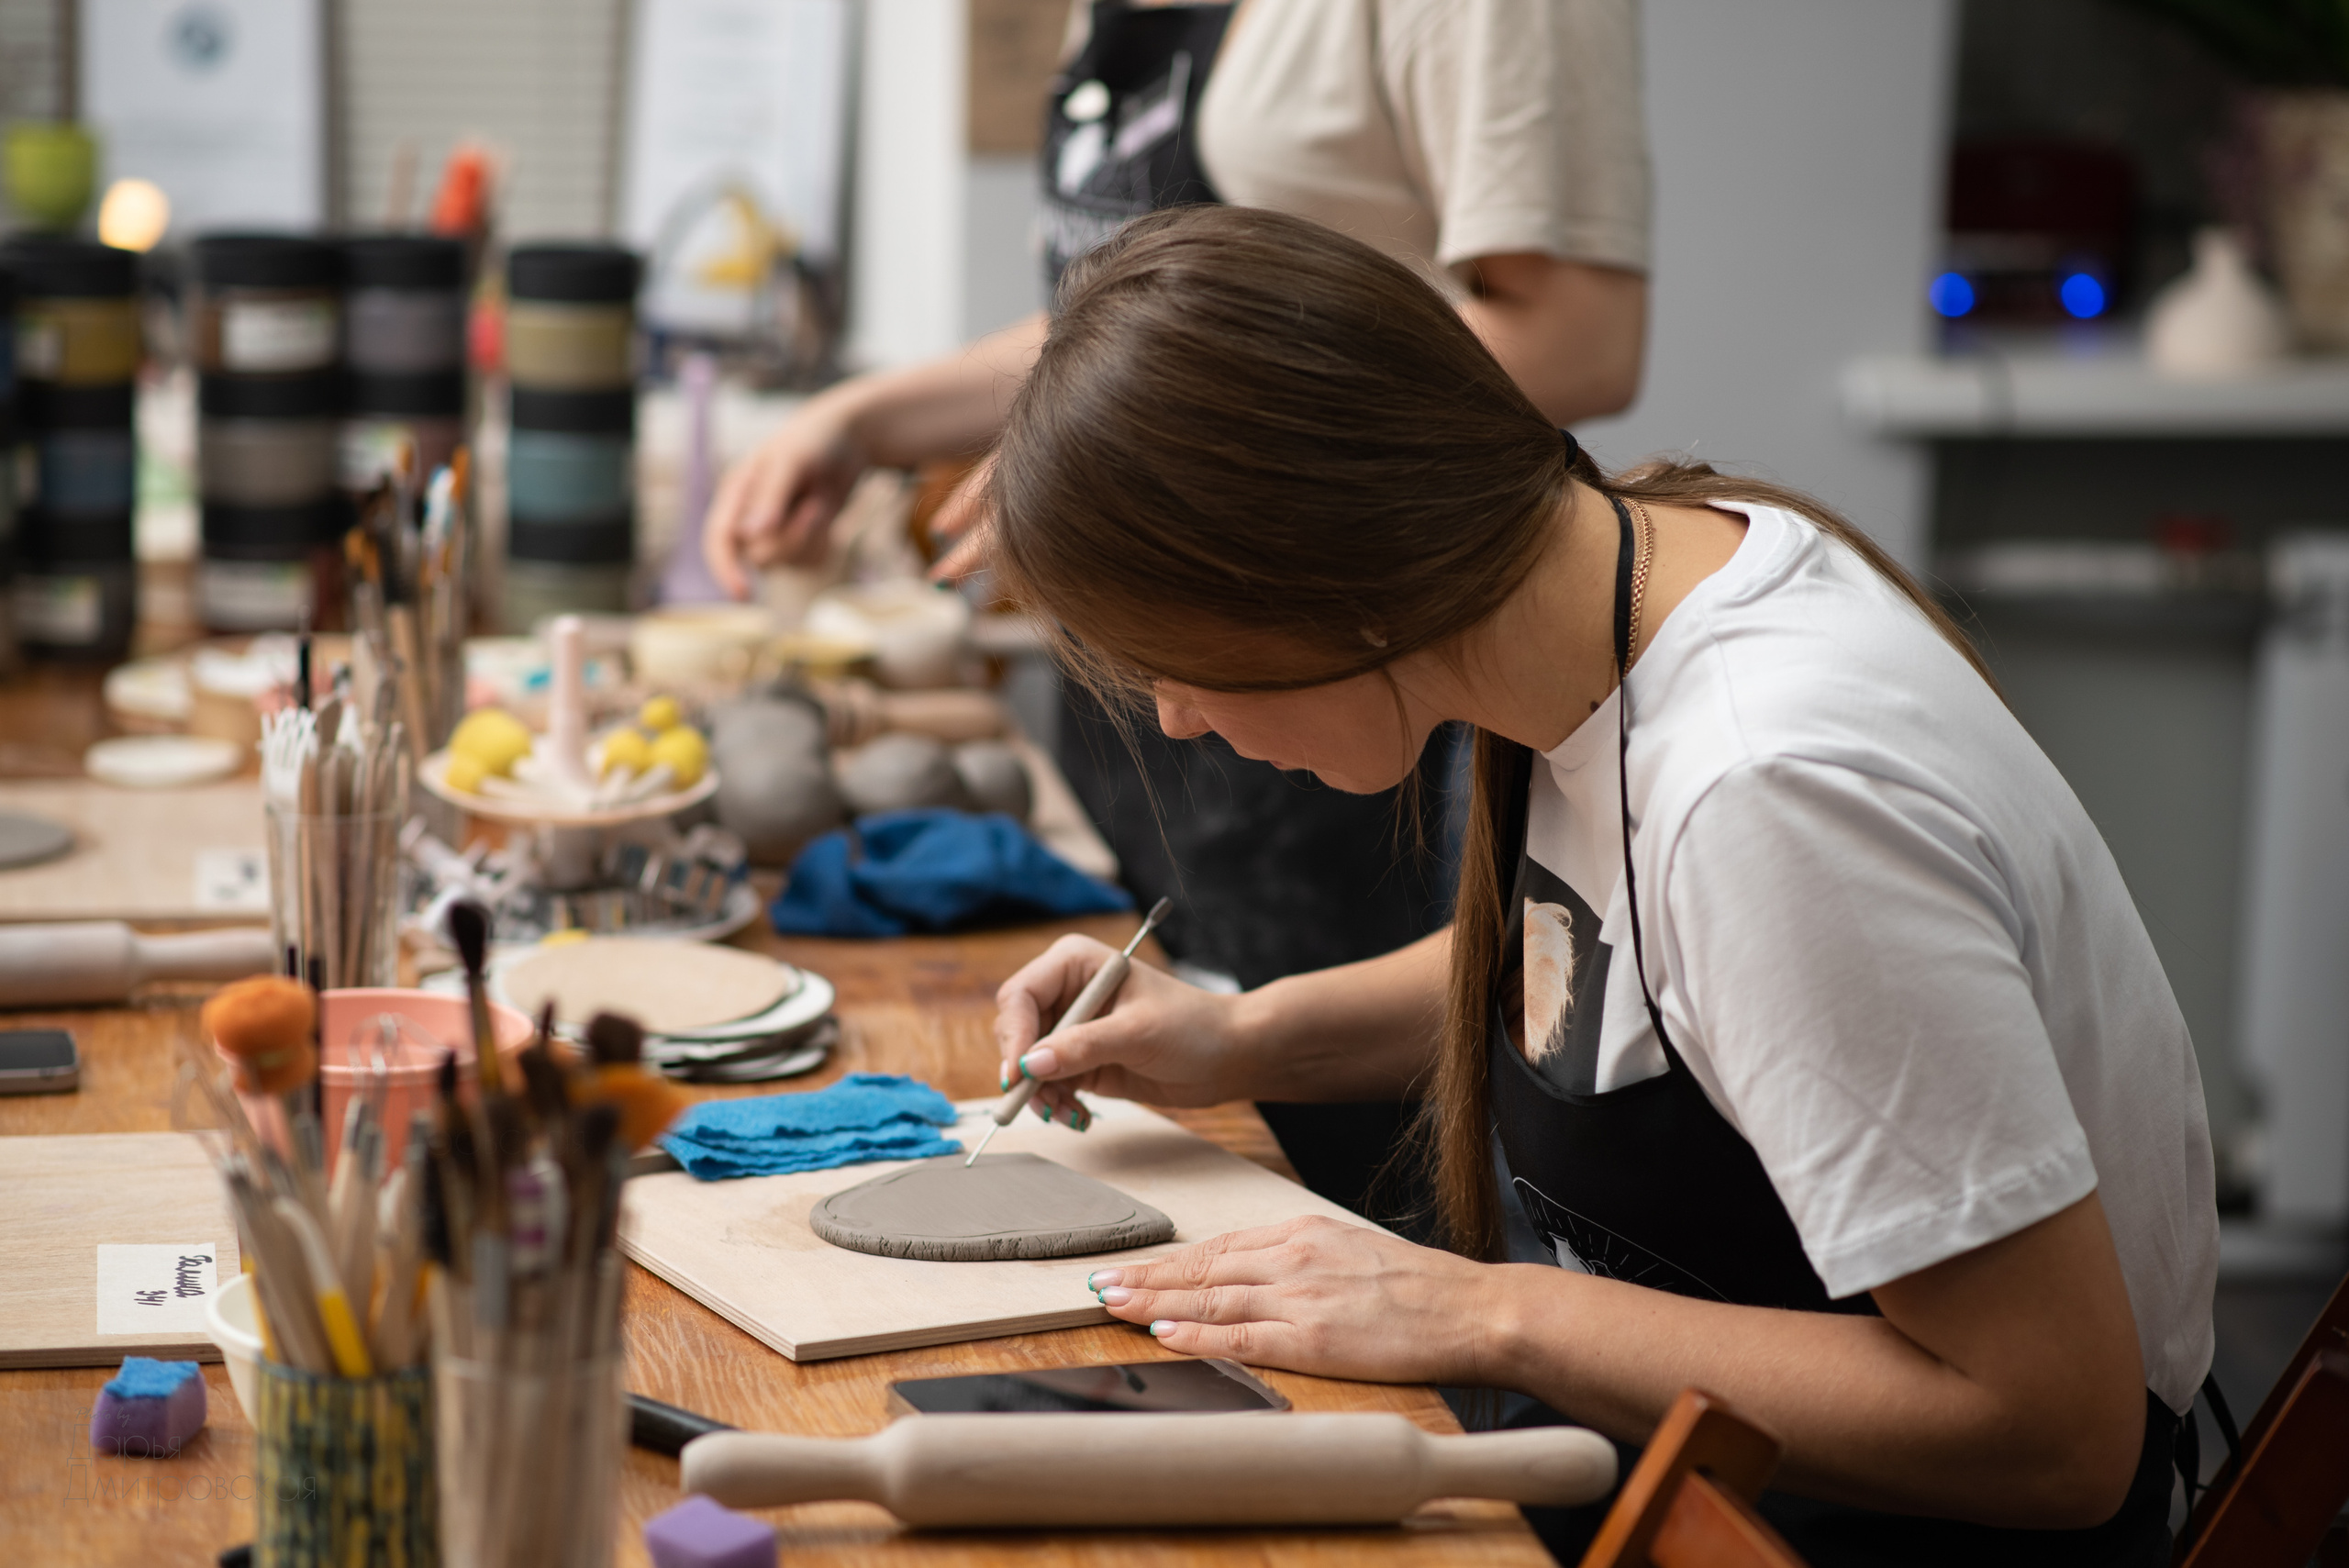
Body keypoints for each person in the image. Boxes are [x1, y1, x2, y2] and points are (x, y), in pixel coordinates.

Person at [978, 206, 2219, 1568]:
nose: (1174, 720)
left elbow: (2048, 1425)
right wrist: (1240, 1034)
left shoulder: (1768, 796)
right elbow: (1629, 971)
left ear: (1325, 578)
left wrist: (1481, 1313)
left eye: (1175, 656)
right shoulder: (1612, 571)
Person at [704, 0, 1651, 1226]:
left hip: (1341, 596)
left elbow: (1577, 336)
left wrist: (1140, 456)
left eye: (1181, 679)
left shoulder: (1745, 761)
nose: (1177, 709)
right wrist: (872, 417)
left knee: (1399, 1184)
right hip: (1268, 611)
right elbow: (1173, 311)